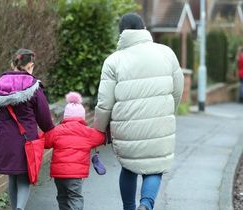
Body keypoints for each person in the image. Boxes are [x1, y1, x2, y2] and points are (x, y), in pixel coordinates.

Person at [93, 13, 184, 210]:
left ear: (121, 33)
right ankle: (146, 204)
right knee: (155, 168)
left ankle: (129, 208)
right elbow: (177, 89)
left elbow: (105, 102)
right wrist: (169, 111)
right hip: (160, 123)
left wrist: (99, 129)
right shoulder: (166, 53)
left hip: (126, 126)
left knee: (129, 166)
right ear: (144, 29)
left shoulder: (113, 61)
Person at [0, 48, 54, 210]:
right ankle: (20, 209)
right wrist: (51, 132)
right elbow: (45, 120)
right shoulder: (34, 88)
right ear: (30, 65)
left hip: (4, 142)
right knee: (24, 178)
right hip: (27, 143)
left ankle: (14, 208)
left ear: (13, 64)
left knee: (12, 177)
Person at [44, 92, 105, 210]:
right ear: (82, 116)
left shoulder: (56, 131)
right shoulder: (87, 132)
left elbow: (46, 143)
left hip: (59, 174)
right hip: (75, 174)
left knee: (62, 197)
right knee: (75, 197)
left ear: (65, 116)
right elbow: (101, 138)